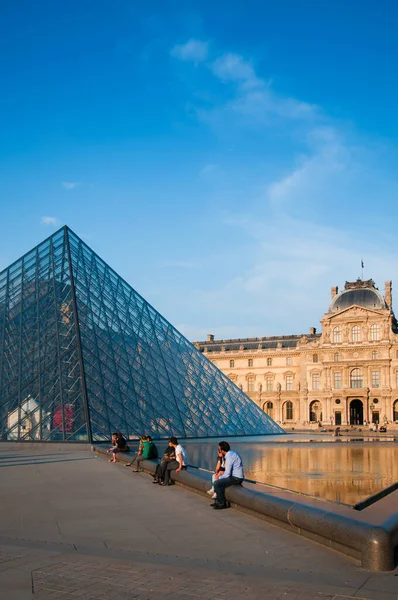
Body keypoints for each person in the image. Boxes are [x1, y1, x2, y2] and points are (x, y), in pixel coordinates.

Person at [211, 441, 244, 509]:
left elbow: (227, 474)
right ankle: (217, 501)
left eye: (219, 450)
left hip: (236, 478)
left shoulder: (229, 457)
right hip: (234, 476)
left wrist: (219, 477)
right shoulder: (230, 453)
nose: (219, 451)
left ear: (223, 450)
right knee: (218, 482)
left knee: (217, 483)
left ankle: (222, 503)